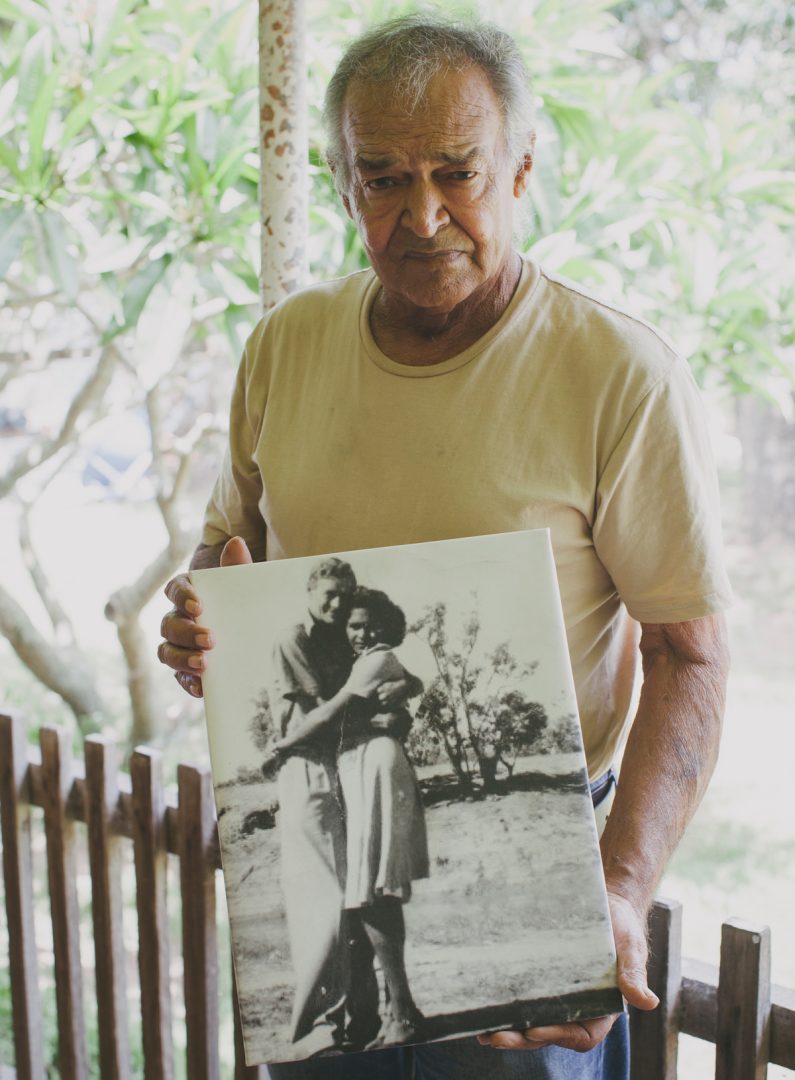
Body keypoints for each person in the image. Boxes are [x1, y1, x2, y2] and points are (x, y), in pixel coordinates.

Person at [158, 12, 731, 1080]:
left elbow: (689, 654)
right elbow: (224, 563)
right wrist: (201, 628)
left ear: (518, 169)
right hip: (315, 845)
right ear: (342, 187)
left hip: (526, 855)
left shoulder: (617, 373)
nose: (423, 215)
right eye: (381, 178)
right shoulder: (286, 345)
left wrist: (617, 886)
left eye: (456, 172)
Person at [275, 587, 429, 1049]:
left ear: (387, 626)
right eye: (355, 626)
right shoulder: (353, 658)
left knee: (373, 892)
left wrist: (282, 745)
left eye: (371, 624)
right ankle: (378, 1013)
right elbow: (407, 682)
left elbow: (332, 712)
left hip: (374, 767)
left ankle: (400, 1012)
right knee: (360, 893)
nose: (363, 633)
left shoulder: (374, 659)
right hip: (355, 769)